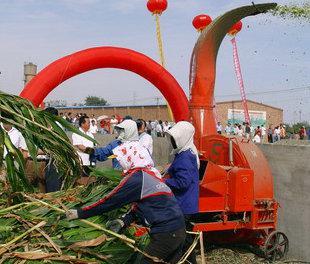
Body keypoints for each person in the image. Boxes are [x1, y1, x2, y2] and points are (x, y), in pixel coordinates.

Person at [66, 140, 186, 264]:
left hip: (167, 233)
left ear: (130, 157)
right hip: (177, 229)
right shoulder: (150, 174)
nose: (120, 162)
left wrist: (79, 213)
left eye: (121, 158)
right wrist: (124, 220)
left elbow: (110, 201)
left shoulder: (137, 178)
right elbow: (142, 205)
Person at [164, 121, 199, 264]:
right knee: (184, 238)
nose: (172, 142)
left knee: (181, 237)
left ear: (183, 138)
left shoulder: (185, 157)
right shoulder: (188, 151)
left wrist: (164, 182)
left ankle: (188, 261)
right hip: (186, 202)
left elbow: (182, 182)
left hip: (183, 203)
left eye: (175, 139)